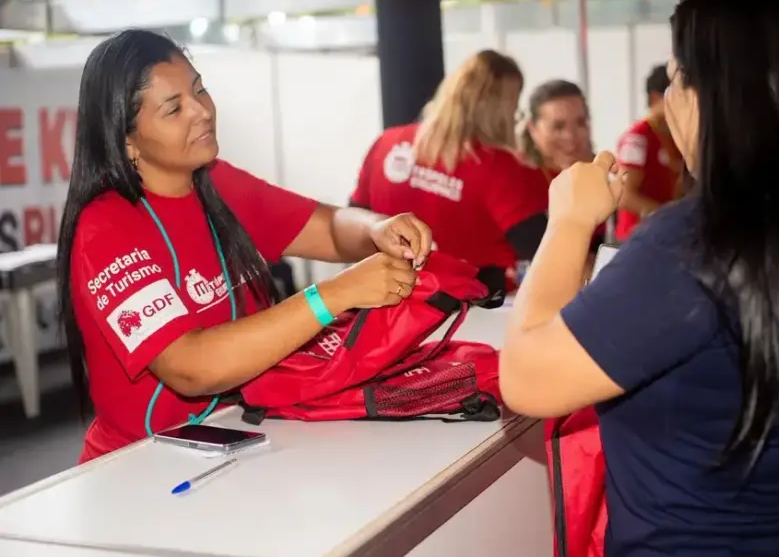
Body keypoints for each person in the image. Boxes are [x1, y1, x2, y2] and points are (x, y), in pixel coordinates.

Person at [500, 0, 779, 555]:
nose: (669, 100)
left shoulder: (697, 242)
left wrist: (569, 223)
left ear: (709, 94)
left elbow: (527, 378)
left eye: (675, 79)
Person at [57, 30, 433, 463]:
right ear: (126, 140)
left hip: (240, 438)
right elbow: (191, 367)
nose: (201, 111)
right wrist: (336, 294)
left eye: (200, 89)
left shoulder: (216, 182)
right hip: (144, 466)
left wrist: (377, 228)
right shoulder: (106, 227)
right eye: (174, 108)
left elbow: (328, 228)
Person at [349, 50, 549, 296]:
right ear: (499, 107)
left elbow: (351, 225)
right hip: (469, 307)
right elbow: (545, 249)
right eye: (514, 104)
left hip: (386, 302)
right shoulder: (499, 167)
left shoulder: (387, 143)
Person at [521, 79, 604, 269]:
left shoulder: (602, 173)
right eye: (558, 127)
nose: (570, 136)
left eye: (580, 123)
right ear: (533, 129)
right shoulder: (520, 179)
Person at [614, 64, 684, 242]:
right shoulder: (637, 138)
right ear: (655, 98)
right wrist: (666, 217)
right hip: (636, 240)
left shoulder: (674, 136)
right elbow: (624, 195)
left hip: (664, 235)